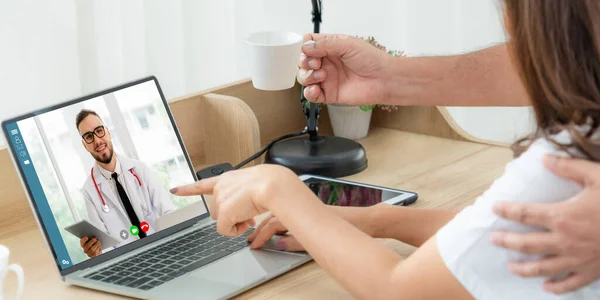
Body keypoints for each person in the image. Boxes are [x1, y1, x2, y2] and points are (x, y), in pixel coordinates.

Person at [170, 1, 600, 299]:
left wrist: (279, 188)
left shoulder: (570, 163)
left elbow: (400, 289)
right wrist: (372, 219)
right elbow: (504, 238)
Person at [76, 109, 175, 258]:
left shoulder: (140, 170)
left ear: (108, 132)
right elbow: (103, 245)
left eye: (99, 131)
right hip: (130, 261)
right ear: (85, 145)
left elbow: (168, 213)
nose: (97, 141)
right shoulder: (89, 191)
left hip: (163, 249)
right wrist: (96, 251)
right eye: (89, 137)